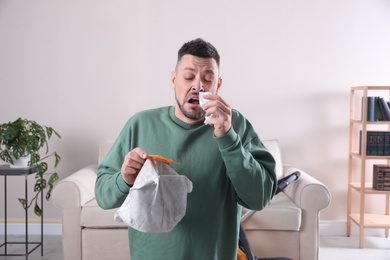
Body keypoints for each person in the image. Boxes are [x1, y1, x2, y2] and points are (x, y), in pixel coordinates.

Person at [95, 38, 277, 260]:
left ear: (217, 86)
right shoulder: (140, 124)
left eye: (207, 79)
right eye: (189, 77)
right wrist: (124, 179)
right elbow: (104, 197)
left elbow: (259, 198)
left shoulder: (235, 124)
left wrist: (228, 138)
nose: (198, 86)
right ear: (173, 80)